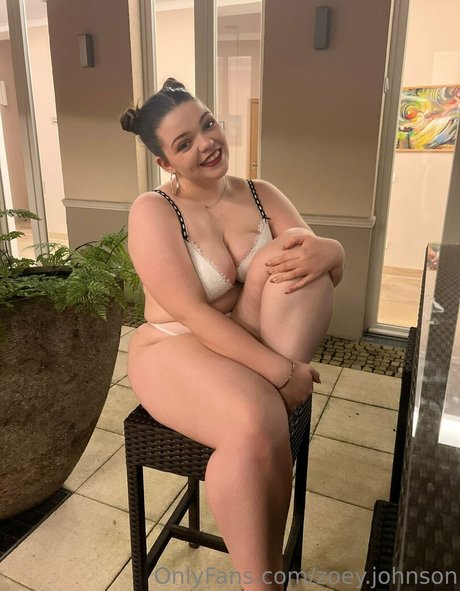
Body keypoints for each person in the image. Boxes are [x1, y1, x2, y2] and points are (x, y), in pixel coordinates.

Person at [121, 78, 345, 591]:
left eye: (208, 124)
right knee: (256, 420)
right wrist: (282, 374)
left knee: (297, 245)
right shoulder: (152, 210)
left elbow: (319, 266)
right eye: (185, 143)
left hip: (249, 334)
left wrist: (335, 251)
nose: (207, 143)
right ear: (165, 162)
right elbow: (192, 314)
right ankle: (263, 582)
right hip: (175, 344)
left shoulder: (261, 194)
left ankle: (263, 576)